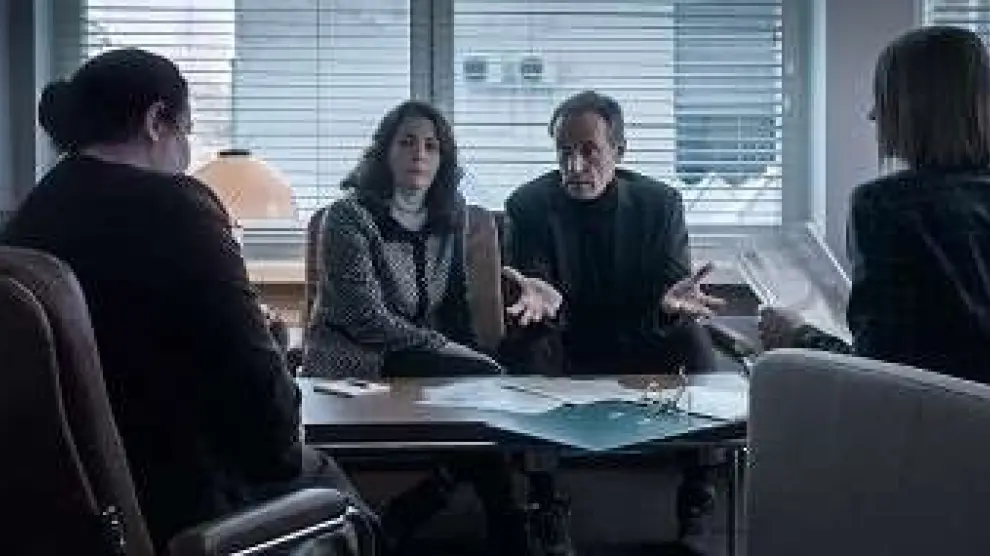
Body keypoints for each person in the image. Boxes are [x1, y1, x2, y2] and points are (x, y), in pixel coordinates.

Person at [0, 48, 373, 551]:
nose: (187, 154)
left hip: (67, 522)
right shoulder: (179, 209)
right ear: (157, 121)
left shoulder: (29, 220)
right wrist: (273, 345)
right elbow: (272, 439)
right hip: (183, 508)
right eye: (187, 131)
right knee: (337, 492)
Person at [301, 100, 560, 554]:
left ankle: (435, 496)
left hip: (419, 359)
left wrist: (476, 358)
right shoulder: (348, 217)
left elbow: (457, 308)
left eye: (431, 146)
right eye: (406, 142)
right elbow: (365, 318)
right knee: (479, 379)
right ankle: (508, 527)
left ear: (443, 159)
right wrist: (455, 356)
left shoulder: (450, 215)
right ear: (385, 152)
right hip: (355, 358)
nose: (419, 154)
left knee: (494, 381)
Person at [502, 90, 727, 551]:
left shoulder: (660, 204)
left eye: (590, 151)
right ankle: (546, 502)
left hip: (639, 339)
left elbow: (671, 287)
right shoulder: (527, 205)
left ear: (619, 152)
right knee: (529, 342)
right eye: (564, 152)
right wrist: (544, 299)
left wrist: (669, 304)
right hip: (565, 342)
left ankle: (698, 497)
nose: (575, 166)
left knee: (693, 338)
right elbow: (535, 286)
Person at [760, 26, 990, 384]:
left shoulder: (885, 206)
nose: (873, 116)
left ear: (914, 109)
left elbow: (877, 376)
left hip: (935, 416)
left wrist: (798, 336)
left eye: (884, 99)